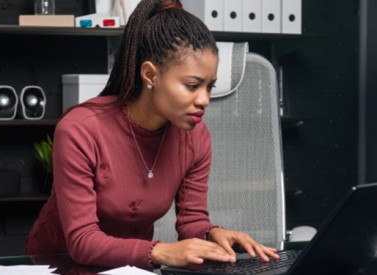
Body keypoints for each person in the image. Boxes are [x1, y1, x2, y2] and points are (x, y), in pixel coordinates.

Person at [25, 0, 280, 269]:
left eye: (209, 86)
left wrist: (213, 234)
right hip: (56, 267)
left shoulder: (196, 137)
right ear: (150, 74)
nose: (204, 99)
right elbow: (82, 242)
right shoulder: (80, 130)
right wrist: (160, 252)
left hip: (132, 269)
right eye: (192, 85)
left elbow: (192, 223)